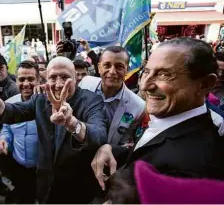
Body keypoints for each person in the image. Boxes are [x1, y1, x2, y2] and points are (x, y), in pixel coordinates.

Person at [91, 38, 224, 191]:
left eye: (164, 74)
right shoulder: (169, 117)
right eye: (146, 72)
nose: (145, 85)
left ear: (205, 84)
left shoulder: (194, 168)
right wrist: (112, 149)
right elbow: (151, 151)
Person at [0, 56, 108, 203]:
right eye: (53, 77)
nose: (58, 84)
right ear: (45, 79)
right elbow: (15, 112)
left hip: (78, 187)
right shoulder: (41, 99)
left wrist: (72, 123)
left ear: (75, 77)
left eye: (65, 77)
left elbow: (98, 135)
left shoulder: (91, 100)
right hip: (47, 183)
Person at [79, 46, 145, 149]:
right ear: (99, 68)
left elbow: (128, 143)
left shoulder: (138, 107)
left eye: (119, 67)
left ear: (127, 69)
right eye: (107, 65)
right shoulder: (85, 83)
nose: (112, 71)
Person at [0, 61, 40, 203]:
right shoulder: (9, 104)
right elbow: (6, 128)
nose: (26, 84)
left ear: (38, 80)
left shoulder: (49, 103)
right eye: (21, 79)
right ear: (16, 80)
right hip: (19, 167)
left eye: (31, 79)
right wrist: (3, 140)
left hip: (43, 170)